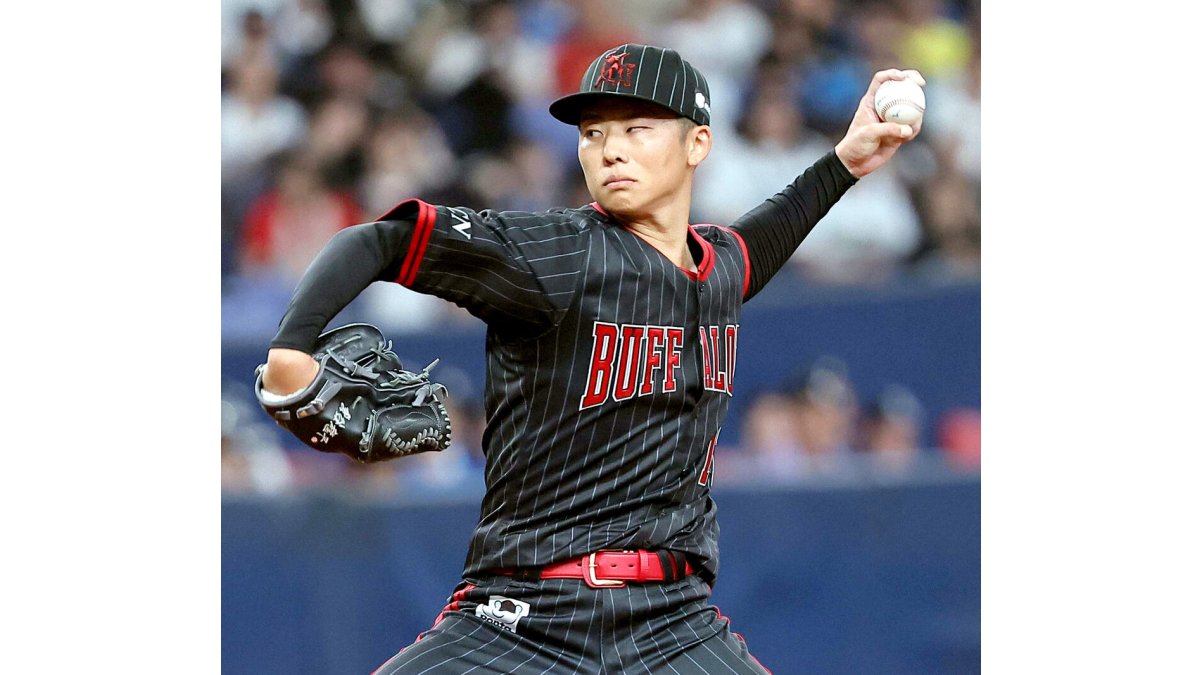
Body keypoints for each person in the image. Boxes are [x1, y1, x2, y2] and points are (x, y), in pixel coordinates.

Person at [260, 44, 923, 674]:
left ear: (697, 144)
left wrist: (846, 161)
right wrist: (291, 350)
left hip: (673, 622)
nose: (610, 149)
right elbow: (377, 241)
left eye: (637, 128)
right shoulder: (555, 254)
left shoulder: (719, 266)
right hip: (521, 617)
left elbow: (766, 237)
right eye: (593, 133)